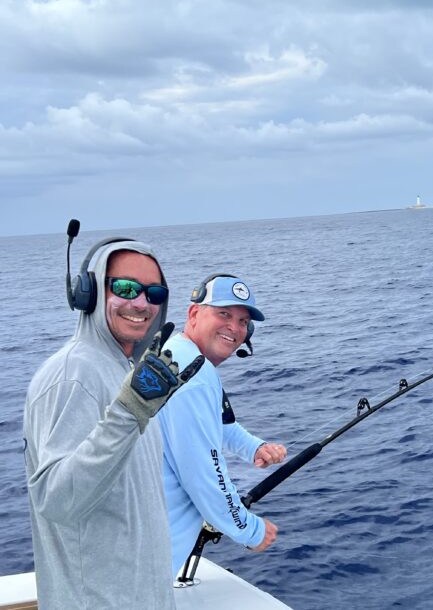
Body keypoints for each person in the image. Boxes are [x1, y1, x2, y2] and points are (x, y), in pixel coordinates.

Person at [23, 237, 203, 610]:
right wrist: (129, 411)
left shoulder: (125, 372)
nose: (141, 303)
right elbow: (57, 501)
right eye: (125, 288)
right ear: (89, 293)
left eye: (154, 293)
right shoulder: (73, 373)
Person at [158, 273, 287, 576]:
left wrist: (254, 447)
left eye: (243, 321)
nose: (235, 328)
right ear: (194, 314)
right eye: (224, 314)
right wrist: (250, 530)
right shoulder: (197, 379)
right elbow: (206, 476)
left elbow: (218, 423)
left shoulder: (179, 355)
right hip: (146, 562)